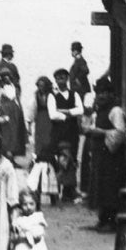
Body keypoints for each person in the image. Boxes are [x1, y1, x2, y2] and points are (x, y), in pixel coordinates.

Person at [88, 77, 126, 230]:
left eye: (106, 92)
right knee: (100, 185)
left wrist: (102, 132)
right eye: (99, 92)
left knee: (110, 186)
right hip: (100, 155)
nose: (102, 96)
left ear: (112, 94)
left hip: (111, 156)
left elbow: (120, 133)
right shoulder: (99, 111)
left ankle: (112, 221)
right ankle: (103, 218)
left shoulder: (115, 111)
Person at [50, 70, 84, 198]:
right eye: (58, 79)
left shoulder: (74, 94)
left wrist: (64, 111)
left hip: (72, 130)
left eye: (63, 78)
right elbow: (53, 114)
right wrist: (70, 113)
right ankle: (58, 187)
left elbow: (80, 109)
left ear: (67, 79)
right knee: (61, 158)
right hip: (58, 131)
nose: (61, 81)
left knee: (72, 157)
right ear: (55, 80)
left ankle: (69, 188)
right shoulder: (52, 96)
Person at [0, 78, 29, 163]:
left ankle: (11, 155)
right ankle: (7, 156)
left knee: (14, 133)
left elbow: (15, 98)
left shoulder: (13, 87)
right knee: (7, 133)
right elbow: (7, 97)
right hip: (6, 111)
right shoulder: (2, 90)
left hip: (13, 111)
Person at [30, 76, 56, 164]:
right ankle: (39, 157)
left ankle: (49, 157)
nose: (40, 88)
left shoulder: (51, 95)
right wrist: (30, 122)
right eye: (39, 86)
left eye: (42, 86)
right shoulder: (36, 95)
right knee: (39, 138)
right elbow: (33, 109)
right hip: (40, 119)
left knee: (48, 138)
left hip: (48, 119)